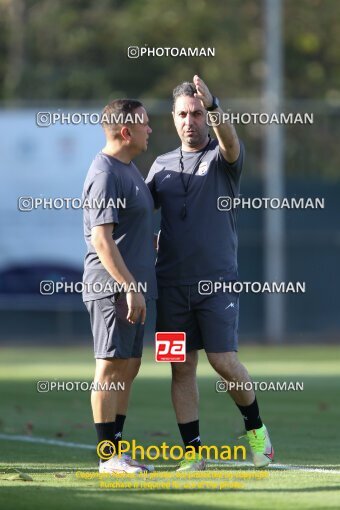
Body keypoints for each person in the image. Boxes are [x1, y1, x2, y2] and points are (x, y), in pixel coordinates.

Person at [146, 76, 274, 471]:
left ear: (207, 116)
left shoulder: (223, 159)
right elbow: (138, 216)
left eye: (198, 113)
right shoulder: (160, 166)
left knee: (223, 361)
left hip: (217, 284)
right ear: (173, 118)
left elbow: (231, 141)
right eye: (183, 114)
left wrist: (215, 104)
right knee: (180, 367)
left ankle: (258, 433)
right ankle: (192, 455)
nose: (190, 121)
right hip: (170, 288)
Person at [82, 99, 156, 473]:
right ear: (126, 131)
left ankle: (118, 452)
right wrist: (129, 285)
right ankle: (106, 456)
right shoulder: (106, 172)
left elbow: (127, 231)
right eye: (144, 124)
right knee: (110, 367)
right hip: (113, 288)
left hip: (133, 287)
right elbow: (101, 240)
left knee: (129, 367)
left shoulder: (130, 170)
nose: (150, 130)